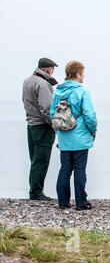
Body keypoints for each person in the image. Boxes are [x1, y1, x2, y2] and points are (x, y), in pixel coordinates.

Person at [50, 61, 97, 210]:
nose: (83, 77)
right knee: (79, 169)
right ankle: (81, 202)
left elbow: (53, 114)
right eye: (82, 73)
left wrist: (59, 131)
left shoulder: (57, 91)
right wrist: (93, 130)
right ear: (77, 74)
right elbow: (90, 115)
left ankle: (63, 202)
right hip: (81, 136)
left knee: (65, 169)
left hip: (64, 137)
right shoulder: (82, 91)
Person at [22, 58, 59, 201]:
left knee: (35, 159)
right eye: (53, 68)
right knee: (41, 160)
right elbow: (47, 109)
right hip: (42, 126)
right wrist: (54, 125)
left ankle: (34, 190)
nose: (53, 71)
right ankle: (36, 192)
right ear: (48, 69)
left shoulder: (27, 81)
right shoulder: (43, 84)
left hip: (31, 125)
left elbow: (25, 101)